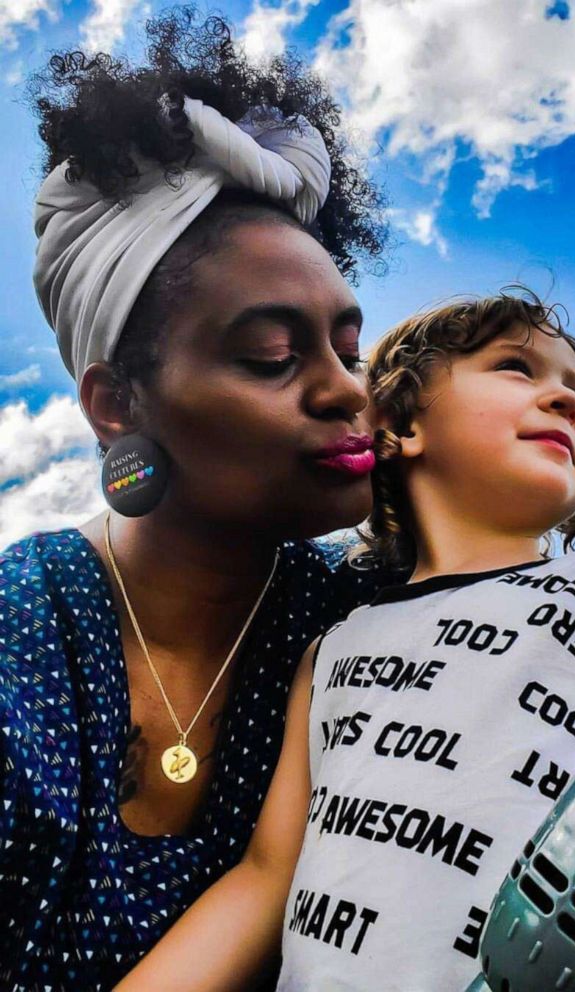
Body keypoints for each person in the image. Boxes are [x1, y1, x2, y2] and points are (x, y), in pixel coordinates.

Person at [116, 290, 575, 991]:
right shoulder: (330, 649)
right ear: (400, 424)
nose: (568, 404)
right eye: (516, 368)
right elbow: (265, 878)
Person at [0, 9, 396, 990]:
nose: (350, 389)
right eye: (270, 355)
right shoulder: (18, 636)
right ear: (116, 404)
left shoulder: (367, 634)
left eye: (350, 349)